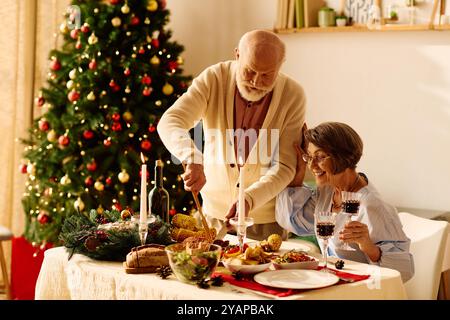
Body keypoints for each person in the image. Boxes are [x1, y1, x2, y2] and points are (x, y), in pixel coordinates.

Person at [158, 30, 306, 240]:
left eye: (266, 75)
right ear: (237, 55)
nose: (256, 81)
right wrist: (192, 157)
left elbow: (285, 166)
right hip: (212, 216)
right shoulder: (213, 78)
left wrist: (249, 199)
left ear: (280, 65)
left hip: (265, 222)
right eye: (249, 71)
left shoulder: (293, 95)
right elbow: (170, 120)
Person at [275, 122, 414, 282]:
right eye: (309, 157)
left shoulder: (372, 206)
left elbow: (404, 271)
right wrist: (299, 171)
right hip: (332, 280)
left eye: (320, 157)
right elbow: (295, 221)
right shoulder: (328, 191)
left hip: (361, 289)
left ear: (343, 157)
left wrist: (369, 246)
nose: (312, 165)